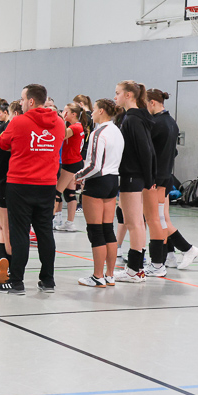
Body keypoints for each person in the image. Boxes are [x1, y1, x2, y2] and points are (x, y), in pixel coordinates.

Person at [0, 84, 65, 295]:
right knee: (45, 232)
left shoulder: (19, 121)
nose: (21, 102)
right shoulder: (59, 123)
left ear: (31, 101)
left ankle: (17, 281)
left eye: (23, 99)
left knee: (20, 233)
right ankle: (48, 279)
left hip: (20, 184)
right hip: (47, 184)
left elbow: (4, 143)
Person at [146, 89, 198, 271]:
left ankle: (187, 248)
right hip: (165, 176)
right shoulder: (171, 121)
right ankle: (169, 256)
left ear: (152, 102)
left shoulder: (156, 123)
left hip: (157, 178)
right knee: (162, 218)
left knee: (158, 220)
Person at [74, 99, 124, 287]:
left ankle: (97, 276)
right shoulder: (117, 131)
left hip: (97, 182)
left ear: (102, 111)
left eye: (94, 109)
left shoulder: (98, 132)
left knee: (95, 231)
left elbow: (94, 165)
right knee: (107, 229)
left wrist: (77, 176)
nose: (92, 113)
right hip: (112, 181)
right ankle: (110, 275)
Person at [113, 80, 156, 283]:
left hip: (132, 175)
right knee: (136, 222)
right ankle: (136, 269)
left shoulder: (133, 119)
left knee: (134, 223)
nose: (115, 97)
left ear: (128, 95)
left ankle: (134, 270)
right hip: (134, 175)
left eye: (117, 93)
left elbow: (146, 150)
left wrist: (149, 178)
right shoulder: (134, 117)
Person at [0, 101, 20, 283]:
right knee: (5, 226)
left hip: (7, 184)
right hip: (23, 186)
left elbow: (1, 149)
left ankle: (8, 264)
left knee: (5, 228)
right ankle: (4, 261)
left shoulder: (10, 131)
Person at [53, 104, 85, 232]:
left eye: (66, 111)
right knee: (69, 193)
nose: (64, 113)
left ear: (73, 114)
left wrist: (60, 119)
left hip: (71, 163)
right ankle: (69, 223)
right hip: (73, 162)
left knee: (56, 193)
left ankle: (48, 221)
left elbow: (60, 136)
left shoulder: (74, 127)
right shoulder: (77, 126)